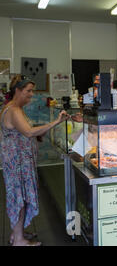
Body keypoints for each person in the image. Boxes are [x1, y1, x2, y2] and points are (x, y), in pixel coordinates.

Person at [0, 75, 70, 246]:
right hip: (17, 164)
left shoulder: (13, 108)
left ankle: (17, 233)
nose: (31, 94)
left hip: (17, 162)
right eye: (28, 91)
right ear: (17, 90)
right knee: (19, 198)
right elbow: (29, 132)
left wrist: (39, 134)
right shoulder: (14, 110)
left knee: (20, 197)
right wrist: (56, 122)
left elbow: (24, 132)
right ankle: (18, 240)